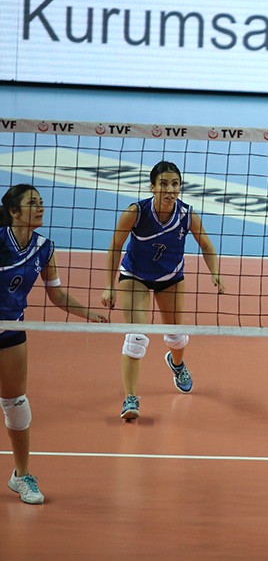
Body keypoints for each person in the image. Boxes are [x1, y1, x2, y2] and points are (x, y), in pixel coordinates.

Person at [1, 184, 108, 504]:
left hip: (11, 331)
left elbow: (56, 294)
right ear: (14, 211)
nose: (40, 208)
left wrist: (88, 313)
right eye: (32, 203)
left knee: (16, 403)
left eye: (41, 202)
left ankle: (21, 475)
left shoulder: (44, 248)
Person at [101, 161, 225, 421]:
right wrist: (109, 285)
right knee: (136, 337)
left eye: (175, 184)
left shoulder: (187, 214)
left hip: (171, 278)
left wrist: (215, 272)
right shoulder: (136, 212)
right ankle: (131, 398)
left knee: (176, 337)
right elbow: (115, 246)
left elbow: (207, 245)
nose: (170, 190)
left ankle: (176, 363)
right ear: (152, 187)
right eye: (164, 184)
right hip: (134, 276)